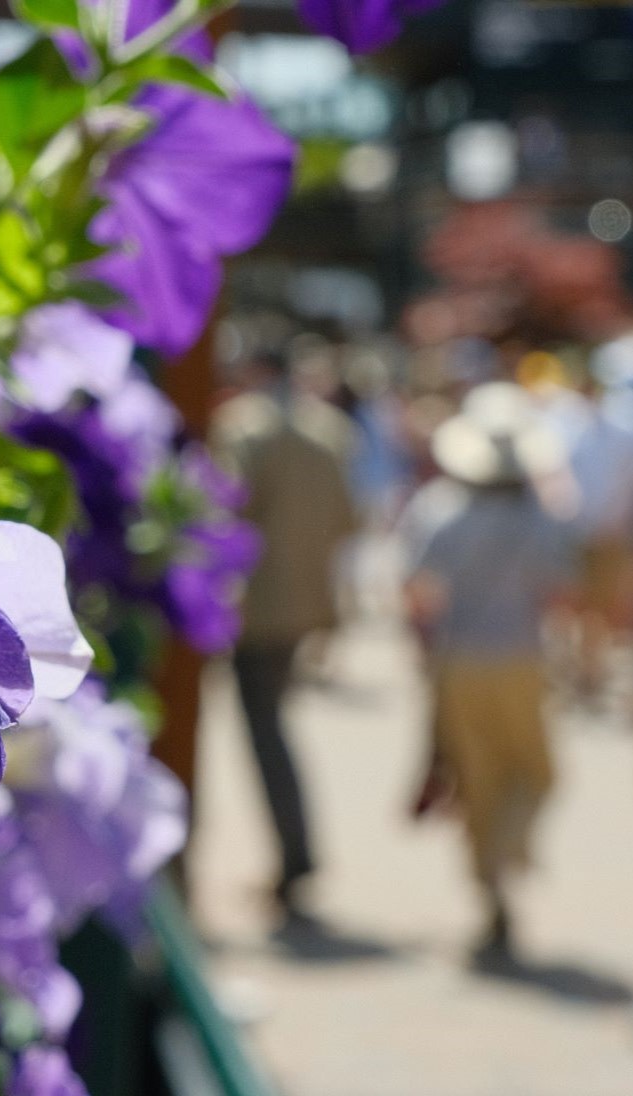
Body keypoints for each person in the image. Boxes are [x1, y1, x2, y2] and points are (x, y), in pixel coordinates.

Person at [404, 384, 576, 956]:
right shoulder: (540, 517)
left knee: (477, 781)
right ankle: (505, 860)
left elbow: (419, 595)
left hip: (458, 662)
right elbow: (558, 591)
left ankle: (490, 875)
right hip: (520, 660)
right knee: (534, 773)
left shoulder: (440, 509)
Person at [211, 350, 359, 912]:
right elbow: (349, 518)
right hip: (305, 604)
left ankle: (295, 858)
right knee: (276, 727)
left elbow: (221, 514)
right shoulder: (330, 429)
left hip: (254, 608)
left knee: (266, 734)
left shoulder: (245, 426)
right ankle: (296, 853)